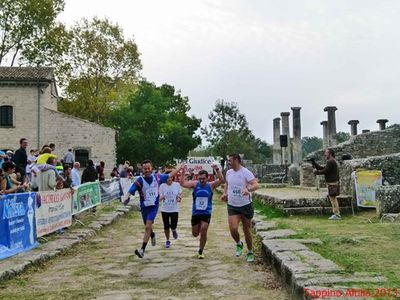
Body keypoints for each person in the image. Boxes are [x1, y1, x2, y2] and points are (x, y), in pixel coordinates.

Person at [123, 160, 180, 259]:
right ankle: (152, 235)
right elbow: (131, 190)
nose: (147, 170)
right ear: (142, 169)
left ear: (151, 168)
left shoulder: (157, 177)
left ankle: (142, 250)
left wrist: (180, 167)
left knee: (148, 226)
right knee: (147, 227)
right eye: (145, 169)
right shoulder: (140, 180)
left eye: (149, 168)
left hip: (154, 206)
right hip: (144, 207)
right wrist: (126, 197)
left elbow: (170, 175)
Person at [180, 164, 224, 259]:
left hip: (206, 212)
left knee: (204, 230)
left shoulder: (211, 185)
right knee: (195, 234)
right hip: (196, 212)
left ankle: (201, 250)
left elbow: (221, 179)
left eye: (203, 179)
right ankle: (199, 229)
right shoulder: (195, 184)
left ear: (207, 178)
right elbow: (182, 183)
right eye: (200, 178)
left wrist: (217, 169)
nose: (201, 180)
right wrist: (183, 172)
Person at [221, 154, 259, 263]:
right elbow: (227, 184)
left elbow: (256, 185)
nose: (228, 162)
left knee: (247, 229)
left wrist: (249, 190)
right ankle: (239, 243)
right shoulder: (228, 172)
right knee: (233, 228)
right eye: (228, 160)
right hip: (232, 205)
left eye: (230, 160)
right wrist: (225, 193)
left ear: (236, 160)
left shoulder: (245, 172)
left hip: (245, 205)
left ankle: (250, 251)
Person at [312, 148, 341, 220]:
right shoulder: (331, 161)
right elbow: (323, 168)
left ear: (330, 153)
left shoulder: (331, 161)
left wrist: (317, 172)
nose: (325, 154)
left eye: (326, 153)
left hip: (332, 183)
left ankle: (337, 214)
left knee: (333, 199)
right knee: (332, 198)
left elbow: (325, 171)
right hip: (332, 182)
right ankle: (336, 214)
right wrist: (314, 163)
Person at [159, 172, 183, 248]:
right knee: (166, 226)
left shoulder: (177, 185)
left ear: (173, 177)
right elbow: (159, 197)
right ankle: (167, 240)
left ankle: (173, 230)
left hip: (174, 209)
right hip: (165, 209)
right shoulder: (162, 186)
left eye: (170, 177)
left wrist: (179, 197)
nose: (169, 179)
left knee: (173, 225)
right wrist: (161, 197)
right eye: (167, 177)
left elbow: (181, 193)